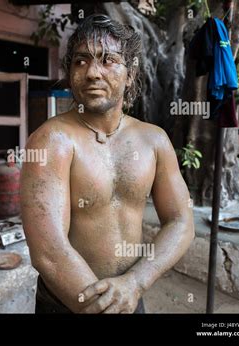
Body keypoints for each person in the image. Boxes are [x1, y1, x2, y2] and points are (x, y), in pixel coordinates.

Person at [20, 14, 195, 314]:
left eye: (108, 59)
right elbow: (49, 252)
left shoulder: (154, 141)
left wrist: (136, 283)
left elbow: (181, 221)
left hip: (129, 295)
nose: (92, 73)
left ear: (130, 74)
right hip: (67, 300)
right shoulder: (52, 140)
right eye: (80, 61)